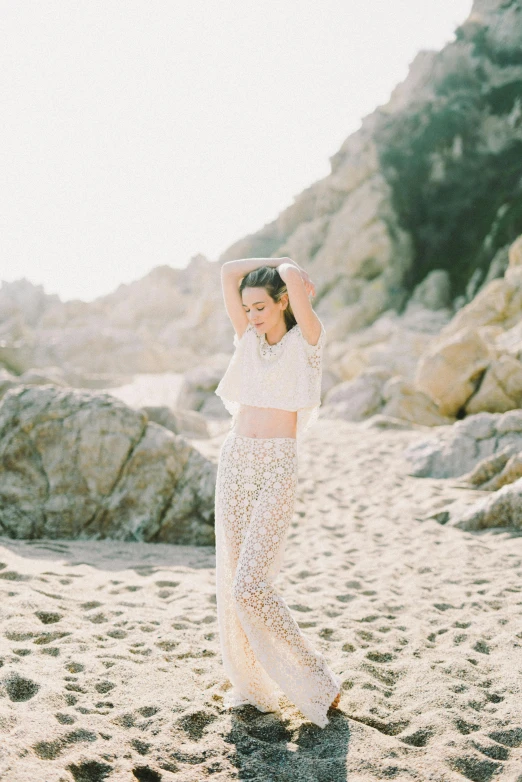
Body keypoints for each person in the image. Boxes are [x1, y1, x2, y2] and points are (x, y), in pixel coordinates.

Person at [213, 255, 342, 729]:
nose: (252, 317)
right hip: (236, 461)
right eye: (247, 309)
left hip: (276, 467)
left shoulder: (307, 340)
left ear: (284, 301)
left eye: (261, 308)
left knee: (252, 582)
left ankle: (317, 680)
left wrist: (288, 266)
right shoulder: (246, 337)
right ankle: (253, 684)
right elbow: (228, 270)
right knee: (234, 580)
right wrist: (272, 262)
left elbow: (290, 280)